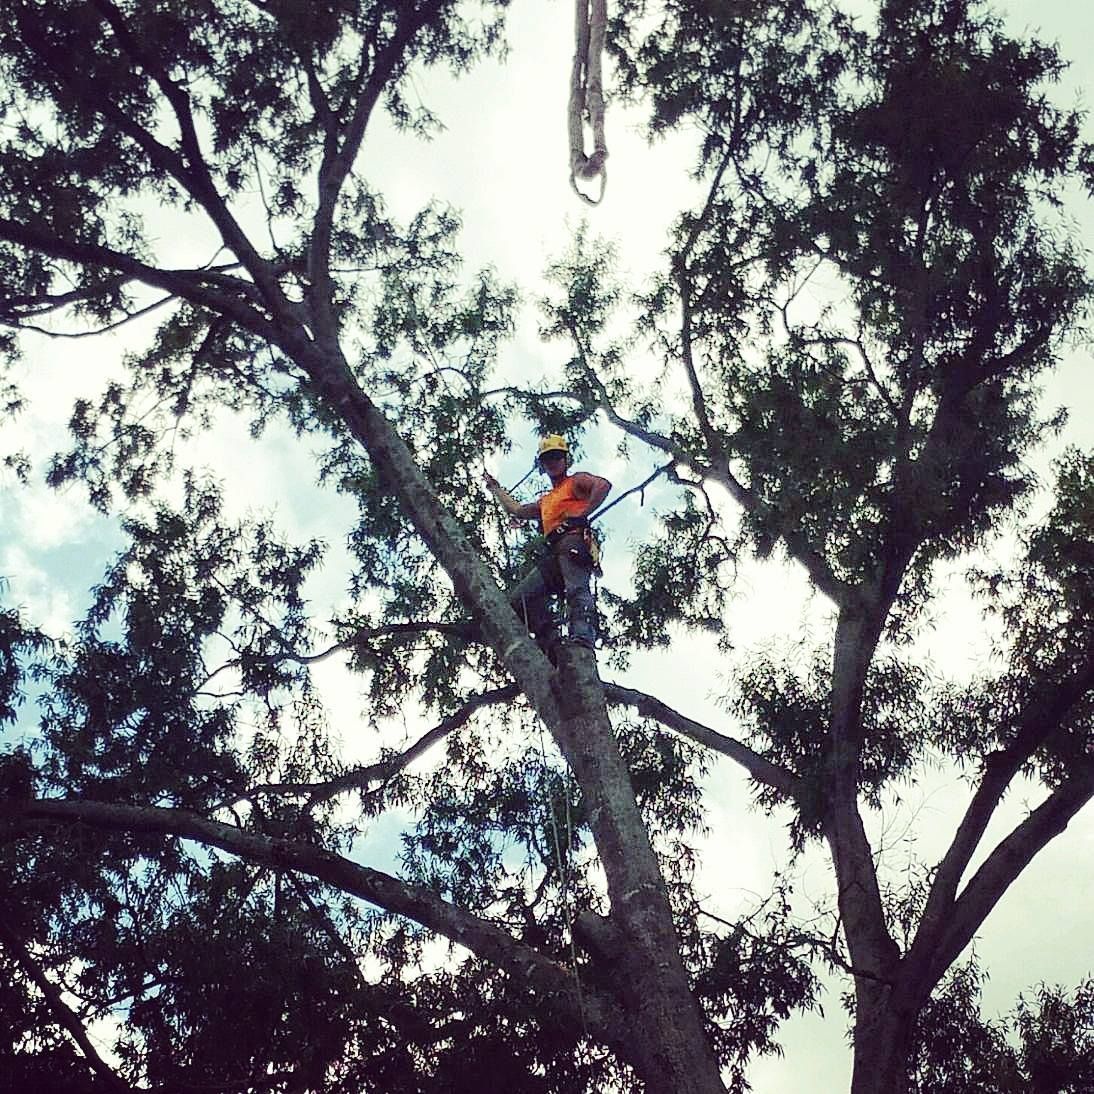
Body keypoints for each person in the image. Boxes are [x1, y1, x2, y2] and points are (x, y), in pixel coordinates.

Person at [484, 435, 611, 658]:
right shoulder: (546, 501)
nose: (552, 462)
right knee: (519, 600)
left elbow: (602, 486)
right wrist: (496, 489)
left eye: (557, 457)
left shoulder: (576, 481)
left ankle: (582, 639)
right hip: (555, 552)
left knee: (577, 591)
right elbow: (518, 511)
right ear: (542, 465)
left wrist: (582, 514)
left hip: (574, 543)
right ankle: (551, 642)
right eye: (547, 459)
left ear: (565, 460)